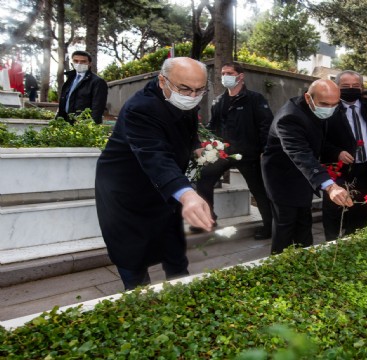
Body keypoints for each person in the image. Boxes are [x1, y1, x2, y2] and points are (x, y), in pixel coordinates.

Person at [95, 57, 215, 290]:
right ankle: (139, 298)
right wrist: (188, 195)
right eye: (185, 89)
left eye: (200, 90)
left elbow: (187, 131)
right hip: (128, 189)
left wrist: (196, 148)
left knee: (173, 246)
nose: (192, 97)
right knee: (132, 253)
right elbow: (154, 155)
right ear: (163, 81)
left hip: (165, 189)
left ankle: (181, 289)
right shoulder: (140, 108)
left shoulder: (183, 99)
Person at [261, 79, 353, 254]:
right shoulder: (289, 118)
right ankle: (279, 266)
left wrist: (336, 153)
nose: (330, 109)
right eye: (325, 104)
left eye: (335, 104)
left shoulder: (318, 110)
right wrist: (330, 186)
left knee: (304, 221)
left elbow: (315, 140)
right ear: (308, 98)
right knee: (285, 225)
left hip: (305, 176)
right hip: (283, 177)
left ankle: (306, 259)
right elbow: (300, 152)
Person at [194, 62, 273, 239]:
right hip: (224, 153)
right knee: (204, 178)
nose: (225, 76)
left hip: (250, 154)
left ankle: (269, 226)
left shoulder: (255, 99)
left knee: (259, 190)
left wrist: (264, 151)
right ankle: (209, 219)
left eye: (229, 73)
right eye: (223, 73)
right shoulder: (219, 101)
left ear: (240, 76)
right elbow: (212, 126)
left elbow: (266, 126)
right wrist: (205, 140)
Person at [320, 70, 367, 241]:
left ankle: (358, 242)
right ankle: (333, 246)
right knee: (336, 212)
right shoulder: (328, 109)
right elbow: (318, 140)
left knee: (364, 211)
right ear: (337, 87)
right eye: (345, 86)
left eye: (355, 86)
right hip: (341, 172)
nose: (351, 89)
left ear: (362, 87)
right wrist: (336, 152)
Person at [56, 50, 108, 124]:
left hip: (83, 123)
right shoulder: (70, 79)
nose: (79, 63)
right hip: (66, 120)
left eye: (83, 61)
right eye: (76, 61)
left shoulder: (97, 82)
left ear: (89, 63)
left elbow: (98, 106)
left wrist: (93, 125)